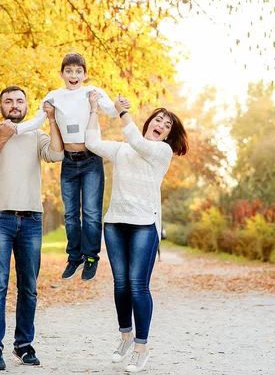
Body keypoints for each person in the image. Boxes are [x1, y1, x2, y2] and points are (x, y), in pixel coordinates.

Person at [84, 92, 188, 372]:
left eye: (167, 125)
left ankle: (141, 349)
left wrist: (120, 112)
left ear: (168, 135)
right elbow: (92, 143)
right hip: (116, 223)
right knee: (121, 285)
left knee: (138, 285)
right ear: (148, 122)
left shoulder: (161, 152)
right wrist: (94, 108)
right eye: (158, 120)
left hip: (145, 225)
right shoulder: (121, 149)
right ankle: (125, 338)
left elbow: (137, 141)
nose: (161, 125)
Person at [0, 85, 64, 370]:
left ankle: (23, 345)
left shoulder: (36, 134)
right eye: (8, 101)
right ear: (1, 106)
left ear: (27, 106)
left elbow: (58, 155)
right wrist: (2, 137)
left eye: (19, 101)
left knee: (29, 287)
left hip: (32, 220)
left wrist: (53, 120)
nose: (14, 105)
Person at [16, 53, 119, 281]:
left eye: (78, 71)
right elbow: (35, 121)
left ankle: (91, 257)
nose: (74, 75)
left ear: (85, 74)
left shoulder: (92, 92)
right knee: (71, 214)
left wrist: (119, 106)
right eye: (69, 71)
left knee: (91, 213)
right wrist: (15, 130)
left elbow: (111, 109)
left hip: (91, 159)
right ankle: (74, 257)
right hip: (69, 162)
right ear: (61, 74)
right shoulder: (54, 96)